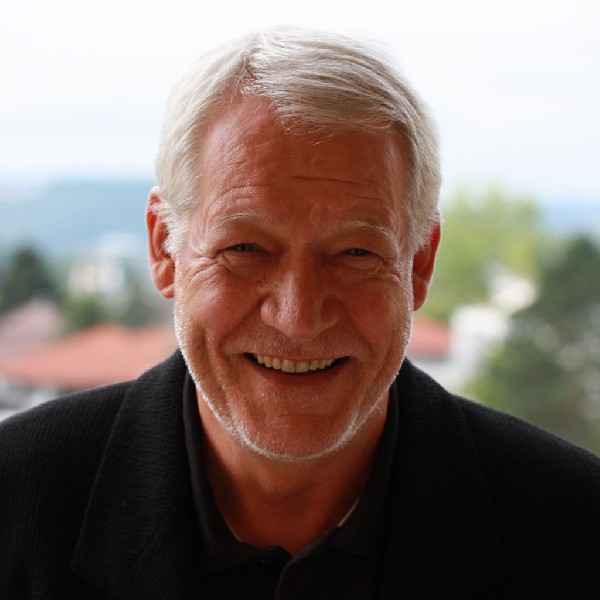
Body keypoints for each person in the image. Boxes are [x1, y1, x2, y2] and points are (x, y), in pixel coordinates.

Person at [1, 27, 599, 599]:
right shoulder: (15, 503)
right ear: (165, 249)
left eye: (355, 253)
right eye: (245, 249)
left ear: (419, 263)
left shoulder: (577, 533)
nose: (297, 316)